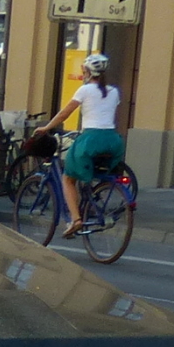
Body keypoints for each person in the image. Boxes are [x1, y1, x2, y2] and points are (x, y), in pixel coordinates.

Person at [56, 53, 124, 237]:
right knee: (96, 171)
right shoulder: (114, 91)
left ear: (87, 71)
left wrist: (45, 127)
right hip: (112, 141)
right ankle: (91, 198)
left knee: (68, 178)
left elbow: (64, 114)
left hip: (90, 140)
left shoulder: (84, 90)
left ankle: (76, 219)